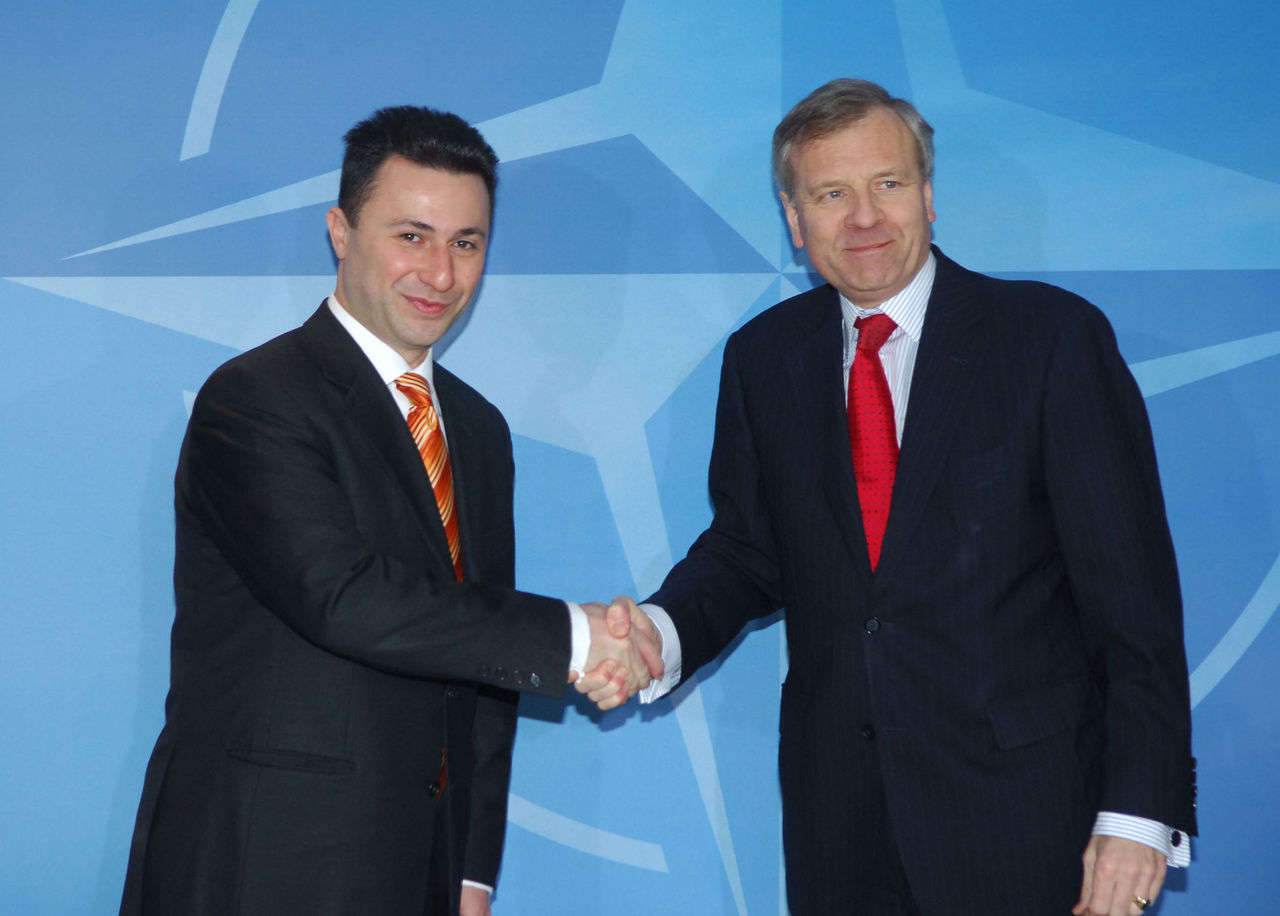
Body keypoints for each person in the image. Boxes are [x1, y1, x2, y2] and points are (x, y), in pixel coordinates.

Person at [611, 79, 1197, 915]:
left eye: (886, 184)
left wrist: (1138, 812)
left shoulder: (1049, 341)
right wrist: (658, 634)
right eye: (830, 194)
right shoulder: (762, 358)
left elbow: (1134, 604)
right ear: (793, 218)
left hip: (1030, 823)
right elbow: (749, 550)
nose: (863, 218)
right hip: (842, 829)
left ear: (927, 194)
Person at [120, 105, 660, 916]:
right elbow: (343, 597)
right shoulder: (256, 400)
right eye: (411, 235)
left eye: (466, 243)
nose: (440, 274)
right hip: (263, 864)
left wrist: (474, 870)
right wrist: (580, 638)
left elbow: (478, 659)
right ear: (341, 231)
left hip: (423, 874)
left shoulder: (476, 430)